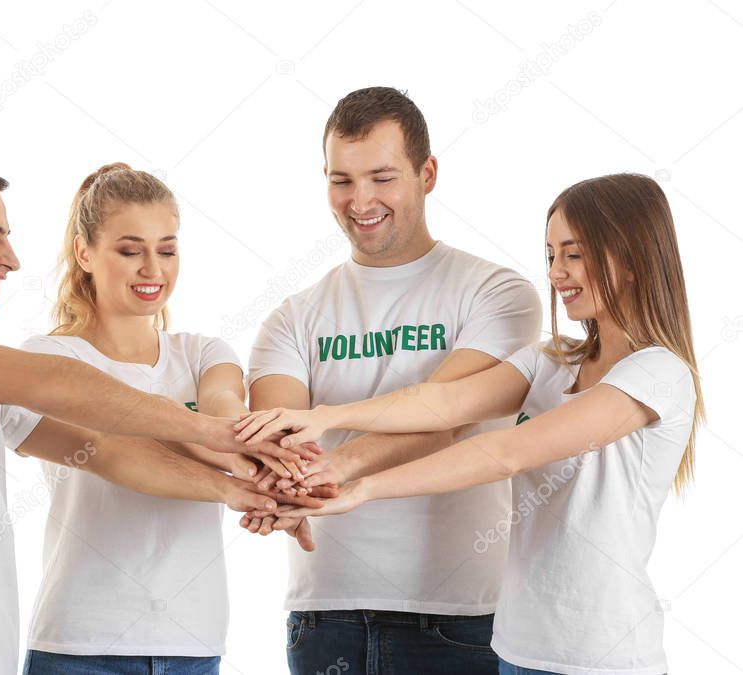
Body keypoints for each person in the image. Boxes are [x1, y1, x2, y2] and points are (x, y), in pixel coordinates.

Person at [0, 153, 314, 675]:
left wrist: (239, 490)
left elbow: (106, 452)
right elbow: (53, 380)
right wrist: (215, 431)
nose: (11, 259)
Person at [246, 173, 704, 675]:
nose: (557, 273)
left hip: (604, 658)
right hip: (516, 649)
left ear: (633, 258)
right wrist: (326, 417)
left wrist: (363, 488)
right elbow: (442, 404)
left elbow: (506, 453)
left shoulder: (658, 373)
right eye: (551, 255)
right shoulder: (550, 360)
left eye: (574, 254)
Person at [242, 86, 543, 673]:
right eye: (342, 180)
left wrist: (334, 467)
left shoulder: (499, 293)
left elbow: (446, 418)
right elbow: (279, 440)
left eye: (382, 177)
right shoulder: (292, 315)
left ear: (427, 173)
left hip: (459, 612)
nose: (361, 200)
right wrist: (279, 482)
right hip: (324, 612)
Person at [9, 163, 328, 675]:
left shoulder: (204, 352)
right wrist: (240, 476)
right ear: (83, 252)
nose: (153, 270)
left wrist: (274, 480)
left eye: (168, 249)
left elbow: (223, 410)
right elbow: (114, 446)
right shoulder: (47, 361)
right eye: (130, 251)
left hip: (193, 644)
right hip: (80, 643)